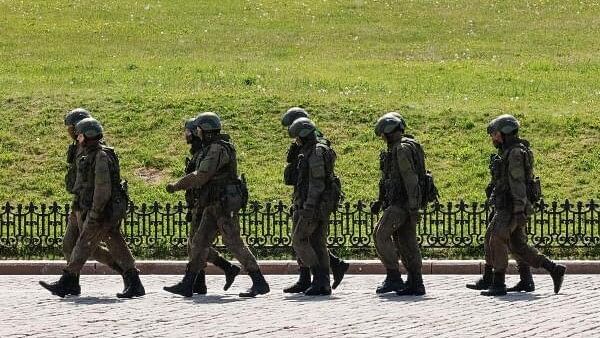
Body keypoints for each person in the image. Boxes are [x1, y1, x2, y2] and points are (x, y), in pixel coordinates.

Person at [163, 112, 269, 298]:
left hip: (223, 205)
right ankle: (188, 283)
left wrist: (177, 185)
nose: (197, 133)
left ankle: (259, 282)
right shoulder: (211, 147)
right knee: (199, 242)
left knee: (234, 243)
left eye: (199, 130)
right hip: (212, 205)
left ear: (206, 130)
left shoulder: (218, 149)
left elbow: (201, 175)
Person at [40, 118, 145, 298]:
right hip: (94, 208)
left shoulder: (100, 156)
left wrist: (95, 212)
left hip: (101, 211)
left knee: (84, 244)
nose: (77, 138)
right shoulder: (89, 153)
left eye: (79, 135)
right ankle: (133, 282)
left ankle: (68, 281)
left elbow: (102, 188)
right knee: (114, 243)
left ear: (86, 136)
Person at [480, 114, 566, 296]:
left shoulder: (515, 153)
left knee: (496, 238)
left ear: (505, 133)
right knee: (518, 245)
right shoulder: (510, 151)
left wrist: (519, 209)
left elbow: (518, 182)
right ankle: (552, 269)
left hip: (511, 207)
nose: (492, 138)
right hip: (509, 205)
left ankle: (498, 283)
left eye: (495, 134)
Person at [280, 107, 349, 293]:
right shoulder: (307, 149)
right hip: (306, 199)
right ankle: (318, 281)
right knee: (316, 241)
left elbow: (317, 183)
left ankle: (319, 278)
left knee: (300, 239)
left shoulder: (316, 151)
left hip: (314, 203)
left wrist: (309, 205)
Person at [181, 118, 241, 294]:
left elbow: (201, 177)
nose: (186, 135)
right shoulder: (199, 150)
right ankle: (201, 281)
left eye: (188, 131)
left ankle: (202, 278)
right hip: (200, 200)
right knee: (195, 243)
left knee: (196, 244)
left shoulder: (206, 150)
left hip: (206, 201)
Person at [371, 113, 426, 296]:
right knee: (406, 242)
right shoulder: (403, 146)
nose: (382, 138)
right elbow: (388, 179)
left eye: (383, 134)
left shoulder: (401, 149)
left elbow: (410, 179)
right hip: (402, 203)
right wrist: (380, 201)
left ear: (389, 131)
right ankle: (415, 282)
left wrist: (413, 207)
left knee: (380, 234)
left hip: (401, 204)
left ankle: (394, 276)